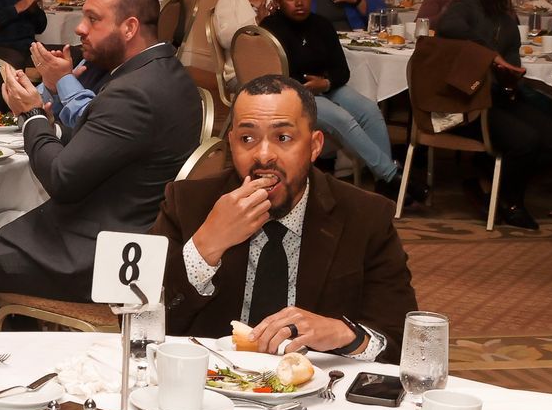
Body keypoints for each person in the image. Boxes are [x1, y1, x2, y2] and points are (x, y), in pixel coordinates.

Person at [0, 0, 197, 328]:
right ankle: (22, 335)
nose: (81, 28)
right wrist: (52, 126)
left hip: (97, 253)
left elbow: (61, 178)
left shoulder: (133, 92)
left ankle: (5, 357)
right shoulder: (169, 73)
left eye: (93, 19)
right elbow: (108, 143)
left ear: (129, 27)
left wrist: (32, 115)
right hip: (132, 228)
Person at [154, 75, 417, 356]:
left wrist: (345, 334)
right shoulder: (188, 203)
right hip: (208, 388)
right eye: (247, 138)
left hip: (318, 389)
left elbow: (400, 341)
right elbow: (135, 317)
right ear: (231, 143)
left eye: (283, 138)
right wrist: (206, 245)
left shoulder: (365, 217)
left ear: (315, 145)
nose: (264, 155)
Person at [435, 0, 552, 229]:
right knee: (526, 140)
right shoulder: (465, 8)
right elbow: (448, 27)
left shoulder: (507, 20)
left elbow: (511, 63)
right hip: (467, 102)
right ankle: (511, 200)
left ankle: (489, 178)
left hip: (500, 96)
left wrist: (511, 78)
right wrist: (489, 55)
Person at [260, 0, 406, 195]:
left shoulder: (322, 25)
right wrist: (311, 86)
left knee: (369, 110)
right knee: (342, 119)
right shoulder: (271, 27)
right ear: (279, 0)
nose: (299, 3)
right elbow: (275, 74)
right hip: (293, 93)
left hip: (328, 86)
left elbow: (342, 70)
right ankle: (391, 176)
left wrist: (326, 82)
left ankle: (384, 179)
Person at [211, 0, 273, 86]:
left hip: (278, 66)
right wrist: (257, 21)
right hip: (240, 71)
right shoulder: (228, 1)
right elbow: (226, 39)